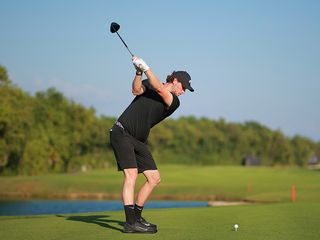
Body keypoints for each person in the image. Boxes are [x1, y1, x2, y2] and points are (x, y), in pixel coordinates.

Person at [109, 56, 194, 233]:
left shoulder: (173, 102)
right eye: (184, 87)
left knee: (154, 178)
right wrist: (139, 72)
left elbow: (160, 90)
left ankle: (137, 218)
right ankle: (130, 223)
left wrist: (146, 67)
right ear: (175, 80)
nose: (184, 91)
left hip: (138, 141)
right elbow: (136, 90)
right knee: (131, 175)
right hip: (121, 132)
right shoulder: (150, 83)